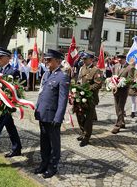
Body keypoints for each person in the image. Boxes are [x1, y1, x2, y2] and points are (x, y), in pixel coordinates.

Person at [34, 49, 69, 178]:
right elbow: (42, 94)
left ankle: (53, 166)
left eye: (49, 59)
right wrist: (37, 109)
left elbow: (62, 99)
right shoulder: (47, 74)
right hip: (43, 113)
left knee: (54, 143)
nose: (46, 62)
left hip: (52, 116)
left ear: (58, 61)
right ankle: (44, 163)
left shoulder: (62, 76)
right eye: (46, 59)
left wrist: (59, 117)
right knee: (44, 141)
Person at [75, 52, 102, 147]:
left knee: (88, 119)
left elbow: (98, 84)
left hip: (90, 98)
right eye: (83, 59)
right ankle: (83, 132)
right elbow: (79, 80)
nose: (83, 60)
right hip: (80, 97)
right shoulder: (82, 68)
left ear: (91, 59)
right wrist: (77, 87)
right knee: (79, 115)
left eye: (85, 59)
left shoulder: (96, 70)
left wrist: (87, 89)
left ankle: (87, 137)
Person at [111, 54, 135, 134]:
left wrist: (122, 82)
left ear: (125, 59)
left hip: (123, 90)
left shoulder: (130, 67)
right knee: (117, 107)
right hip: (115, 90)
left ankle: (117, 125)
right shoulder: (116, 66)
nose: (119, 60)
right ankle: (122, 122)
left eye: (121, 58)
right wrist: (112, 83)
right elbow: (113, 76)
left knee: (120, 107)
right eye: (118, 58)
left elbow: (131, 79)